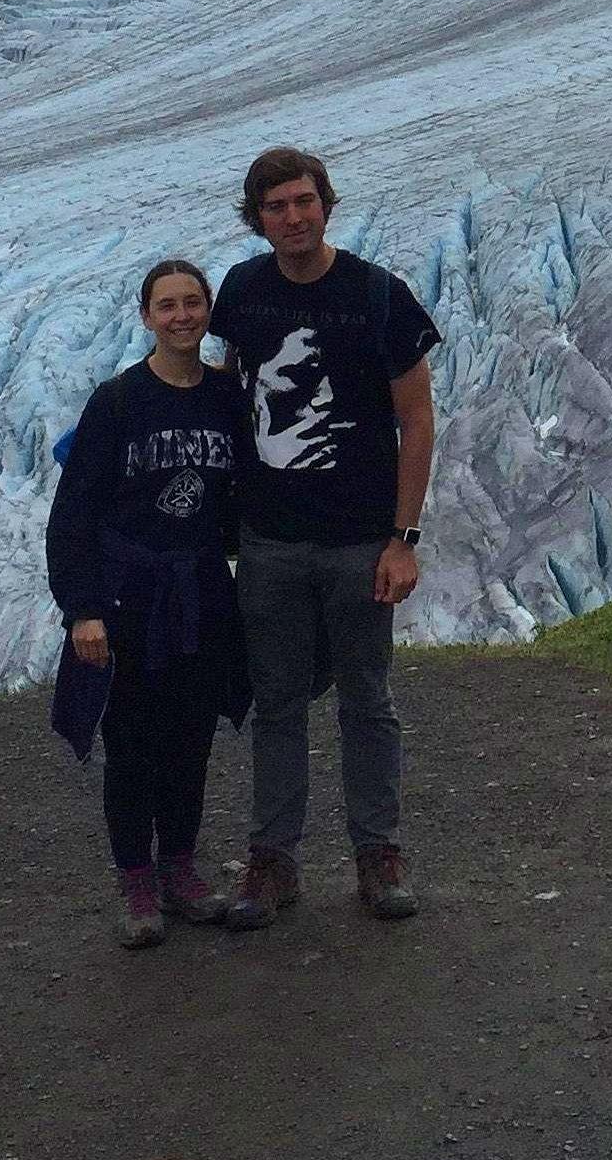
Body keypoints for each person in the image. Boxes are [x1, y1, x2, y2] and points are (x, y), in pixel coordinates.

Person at [210, 145, 440, 927]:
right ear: (258, 217)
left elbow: (416, 418)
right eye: (276, 206)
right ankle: (272, 859)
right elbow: (233, 387)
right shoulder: (241, 291)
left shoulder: (378, 295)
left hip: (356, 540)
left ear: (325, 204)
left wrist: (402, 537)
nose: (293, 216)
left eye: (303, 200)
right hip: (269, 539)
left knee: (366, 699)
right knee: (275, 700)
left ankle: (377, 853)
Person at [46, 258, 254, 949]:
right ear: (145, 316)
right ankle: (136, 878)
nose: (182, 316)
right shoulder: (117, 402)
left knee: (190, 740)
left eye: (193, 302)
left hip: (199, 594)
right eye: (167, 305)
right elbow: (73, 514)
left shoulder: (226, 398)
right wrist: (82, 608)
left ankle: (181, 868)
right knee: (131, 744)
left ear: (208, 310)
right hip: (128, 598)